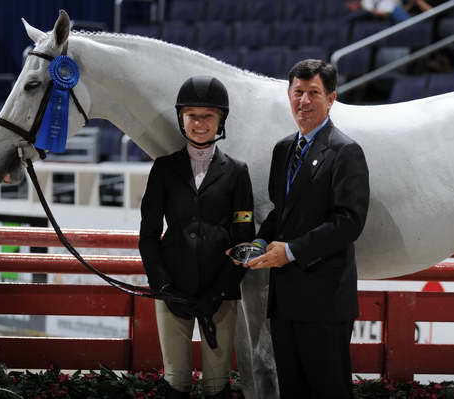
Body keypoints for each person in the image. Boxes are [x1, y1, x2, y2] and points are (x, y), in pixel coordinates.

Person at [246, 59, 370, 398]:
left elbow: (349, 223)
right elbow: (280, 214)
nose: (303, 101)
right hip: (285, 300)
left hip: (325, 302)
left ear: (331, 98)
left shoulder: (347, 152)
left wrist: (290, 251)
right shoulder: (283, 149)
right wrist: (257, 243)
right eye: (297, 92)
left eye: (313, 93)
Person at [139, 76, 255, 399]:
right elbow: (148, 234)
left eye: (208, 116)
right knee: (176, 380)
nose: (199, 123)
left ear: (220, 120)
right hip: (172, 291)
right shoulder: (163, 169)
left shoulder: (236, 172)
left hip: (220, 293)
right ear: (182, 119)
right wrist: (162, 284)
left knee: (217, 384)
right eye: (192, 115)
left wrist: (220, 289)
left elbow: (245, 239)